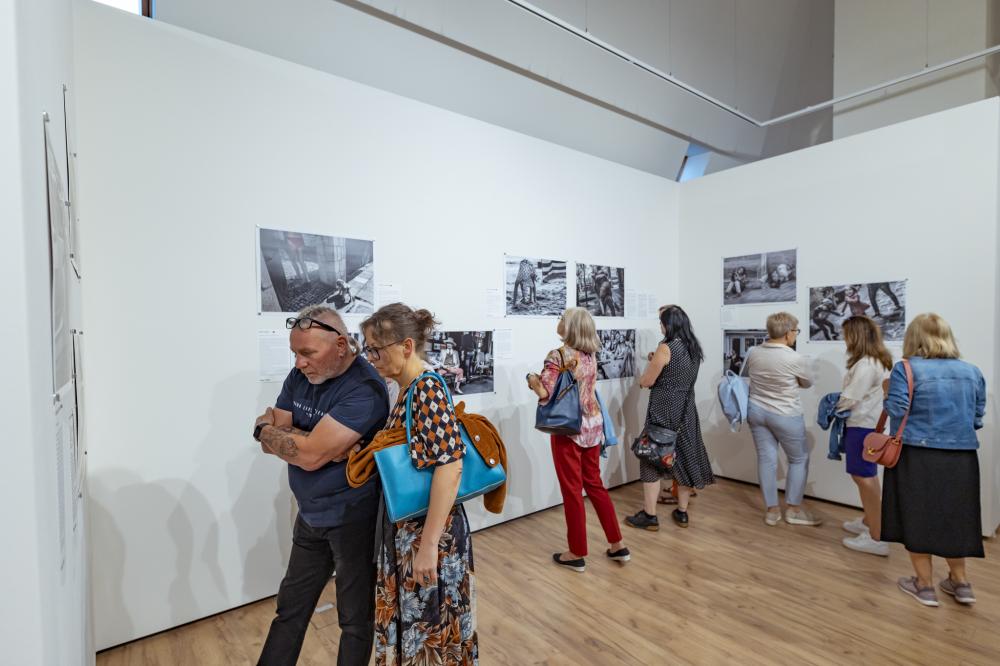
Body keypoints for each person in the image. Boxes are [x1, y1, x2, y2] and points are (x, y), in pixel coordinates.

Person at [253, 305, 389, 666]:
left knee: (355, 621)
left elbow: (309, 456)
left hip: (354, 519)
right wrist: (271, 433)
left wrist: (277, 433)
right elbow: (278, 441)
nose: (299, 362)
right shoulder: (300, 376)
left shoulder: (365, 388)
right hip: (310, 514)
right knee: (290, 610)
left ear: (340, 345)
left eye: (308, 353)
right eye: (295, 353)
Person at [360, 303, 478, 664]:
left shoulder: (426, 388)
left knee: (430, 633)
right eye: (368, 349)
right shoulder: (407, 389)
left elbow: (450, 466)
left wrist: (427, 546)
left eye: (376, 349)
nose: (371, 358)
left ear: (406, 346)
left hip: (427, 534)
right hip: (411, 530)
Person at [881, 313, 986, 607]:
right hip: (962, 456)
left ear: (913, 338)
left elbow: (897, 410)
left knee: (915, 516)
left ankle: (924, 586)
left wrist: (886, 392)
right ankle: (961, 583)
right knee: (956, 516)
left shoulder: (906, 368)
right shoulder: (972, 371)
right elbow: (977, 417)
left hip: (916, 453)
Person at [526, 307, 629, 572]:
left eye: (562, 318)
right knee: (595, 485)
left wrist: (531, 379)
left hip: (568, 429)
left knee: (572, 491)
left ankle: (576, 552)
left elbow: (545, 393)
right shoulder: (589, 354)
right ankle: (617, 544)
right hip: (593, 425)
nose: (559, 320)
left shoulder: (558, 355)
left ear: (570, 327)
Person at [625, 305, 714, 530]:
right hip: (686, 410)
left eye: (661, 322)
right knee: (684, 458)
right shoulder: (693, 347)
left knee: (651, 460)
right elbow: (677, 371)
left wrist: (647, 371)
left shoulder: (666, 347)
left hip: (664, 410)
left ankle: (650, 516)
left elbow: (647, 381)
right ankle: (682, 512)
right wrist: (656, 359)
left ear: (669, 324)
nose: (660, 326)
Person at [745, 312, 822, 527]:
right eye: (796, 331)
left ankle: (772, 511)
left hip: (756, 411)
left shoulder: (753, 352)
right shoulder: (795, 358)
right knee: (799, 459)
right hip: (785, 414)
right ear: (788, 333)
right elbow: (807, 383)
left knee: (766, 460)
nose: (796, 335)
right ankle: (793, 510)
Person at [836, 316, 892, 556]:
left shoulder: (866, 364)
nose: (844, 339)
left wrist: (834, 405)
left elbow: (850, 398)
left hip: (862, 425)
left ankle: (877, 537)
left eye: (846, 334)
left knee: (863, 478)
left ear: (856, 336)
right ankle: (871, 522)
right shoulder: (875, 361)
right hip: (869, 424)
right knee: (867, 477)